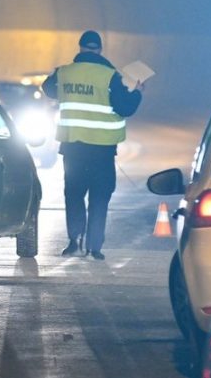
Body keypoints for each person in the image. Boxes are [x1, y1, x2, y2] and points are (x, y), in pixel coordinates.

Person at [42, 30, 143, 260]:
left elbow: (48, 89)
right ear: (99, 49)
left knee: (74, 194)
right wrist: (137, 93)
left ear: (80, 48)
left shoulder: (65, 72)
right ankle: (94, 247)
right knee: (99, 197)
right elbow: (125, 107)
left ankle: (74, 241)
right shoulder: (109, 76)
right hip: (102, 150)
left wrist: (60, 81)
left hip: (73, 149)